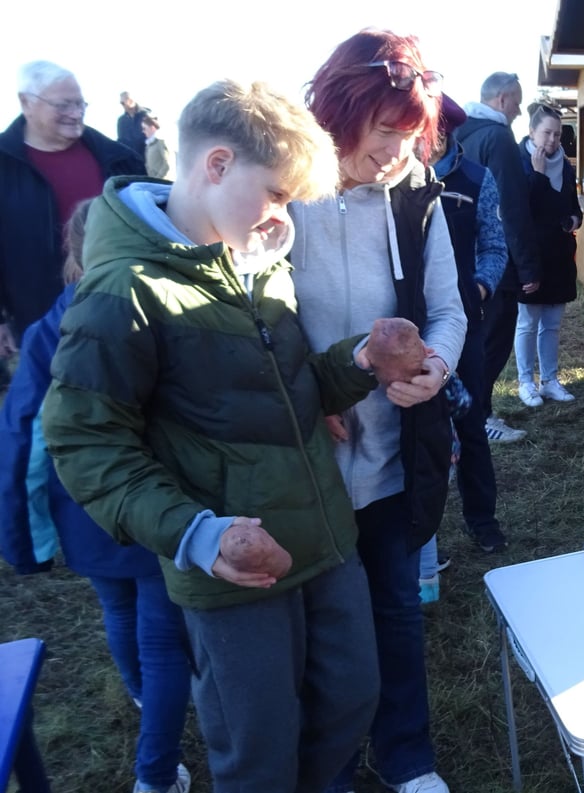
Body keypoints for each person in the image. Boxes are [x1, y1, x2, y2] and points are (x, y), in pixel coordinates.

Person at [42, 78, 392, 792]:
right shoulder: (125, 289)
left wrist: (360, 362)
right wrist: (198, 534)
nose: (279, 216)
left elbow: (289, 391)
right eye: (274, 194)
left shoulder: (252, 262)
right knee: (258, 748)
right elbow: (84, 442)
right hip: (234, 573)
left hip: (321, 540)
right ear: (218, 164)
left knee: (351, 696)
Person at [290, 29, 466, 793]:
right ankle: (318, 757)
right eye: (385, 130)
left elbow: (451, 311)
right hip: (305, 461)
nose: (398, 149)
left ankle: (407, 755)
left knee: (395, 606)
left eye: (410, 133)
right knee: (316, 622)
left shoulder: (419, 198)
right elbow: (256, 316)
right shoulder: (281, 191)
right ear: (340, 110)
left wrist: (437, 369)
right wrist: (306, 390)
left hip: (393, 452)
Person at [0, 199, 193, 793]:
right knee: (164, 642)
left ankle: (140, 701)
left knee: (120, 611)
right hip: (154, 503)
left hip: (86, 512)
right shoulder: (155, 315)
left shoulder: (45, 331)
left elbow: (23, 436)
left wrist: (26, 539)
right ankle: (154, 773)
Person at [0, 61, 143, 391]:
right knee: (52, 410)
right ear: (26, 103)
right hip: (38, 318)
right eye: (63, 104)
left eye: (80, 103)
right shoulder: (4, 166)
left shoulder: (119, 159)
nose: (76, 112)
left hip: (119, 311)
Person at [421, 92, 509, 570]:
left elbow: (495, 246)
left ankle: (482, 519)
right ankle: (420, 536)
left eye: (426, 127)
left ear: (445, 130)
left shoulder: (477, 179)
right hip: (409, 326)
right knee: (417, 430)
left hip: (466, 324)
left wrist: (479, 289)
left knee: (470, 421)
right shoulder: (397, 182)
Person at [455, 71, 543, 443]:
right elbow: (512, 207)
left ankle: (466, 411)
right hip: (498, 263)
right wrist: (527, 266)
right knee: (493, 343)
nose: (520, 110)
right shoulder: (498, 137)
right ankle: (480, 418)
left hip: (463, 261)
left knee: (469, 342)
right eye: (518, 101)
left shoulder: (460, 133)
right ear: (503, 98)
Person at [514, 103, 582, 407]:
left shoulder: (565, 165)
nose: (552, 140)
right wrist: (538, 174)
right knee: (528, 323)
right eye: (546, 133)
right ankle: (525, 382)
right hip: (532, 258)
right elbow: (522, 209)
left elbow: (572, 205)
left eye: (557, 134)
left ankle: (550, 380)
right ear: (532, 132)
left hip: (559, 256)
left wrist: (574, 219)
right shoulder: (518, 162)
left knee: (552, 324)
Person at [117, 90, 150, 158]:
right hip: (130, 162)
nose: (123, 104)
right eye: (121, 103)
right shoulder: (121, 121)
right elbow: (121, 142)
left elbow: (153, 139)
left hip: (147, 160)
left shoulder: (146, 115)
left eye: (125, 101)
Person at [140, 113, 172, 179]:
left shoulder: (161, 141)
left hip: (164, 182)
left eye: (144, 128)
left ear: (152, 128)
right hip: (155, 182)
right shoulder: (148, 146)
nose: (143, 131)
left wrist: (159, 178)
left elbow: (167, 163)